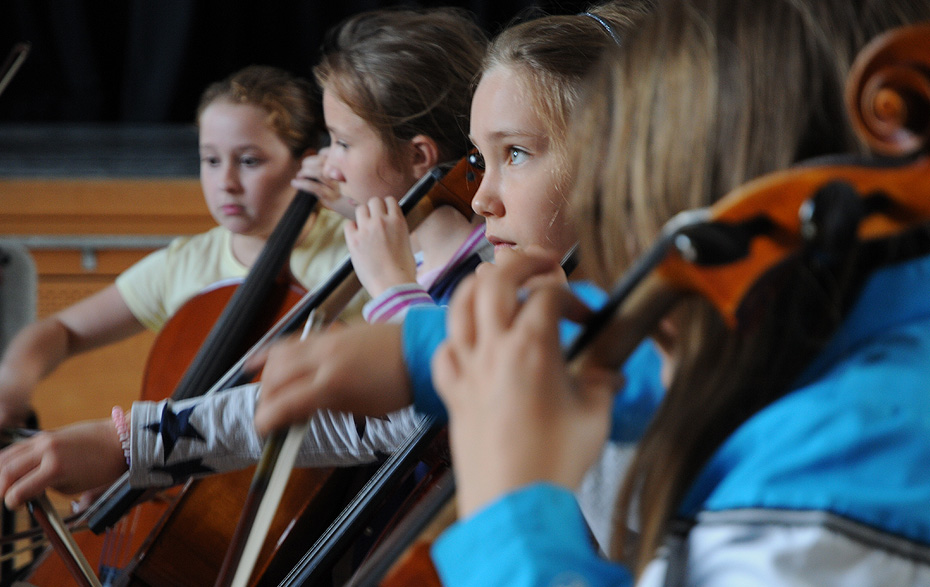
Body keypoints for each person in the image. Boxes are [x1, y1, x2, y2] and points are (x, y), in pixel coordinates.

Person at [427, 0, 930, 585]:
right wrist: (409, 351)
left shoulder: (836, 485)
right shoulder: (820, 341)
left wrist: (509, 513)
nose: (626, 211)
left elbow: (645, 490)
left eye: (646, 179)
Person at [0, 6, 494, 505]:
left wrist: (391, 287)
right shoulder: (426, 254)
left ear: (419, 156)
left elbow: (399, 416)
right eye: (210, 160)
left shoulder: (481, 279)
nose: (329, 163)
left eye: (342, 142)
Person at [0, 65, 361, 430]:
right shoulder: (186, 263)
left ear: (305, 162)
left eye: (249, 161)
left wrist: (353, 207)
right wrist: (13, 381)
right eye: (211, 160)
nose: (226, 183)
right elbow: (61, 329)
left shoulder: (358, 248)